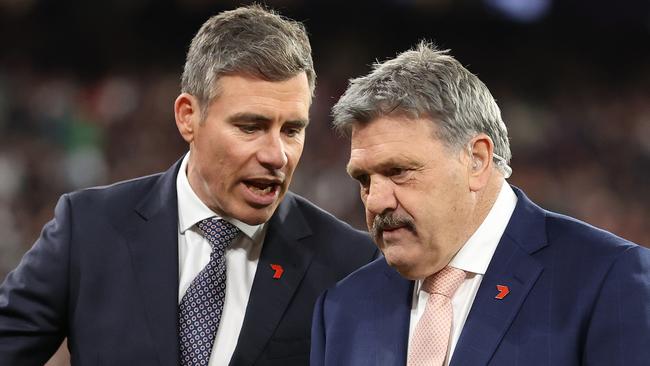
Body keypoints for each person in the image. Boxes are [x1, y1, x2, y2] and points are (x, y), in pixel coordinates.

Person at [0, 5, 377, 365]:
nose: (277, 155)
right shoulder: (88, 228)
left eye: (292, 130)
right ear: (188, 118)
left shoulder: (348, 265)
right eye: (250, 127)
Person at [310, 41, 650, 366]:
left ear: (476, 160)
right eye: (364, 180)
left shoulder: (607, 279)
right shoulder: (342, 309)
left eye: (398, 171)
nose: (376, 201)